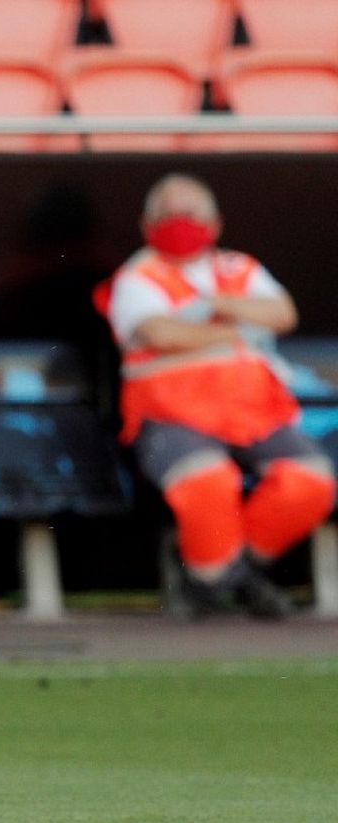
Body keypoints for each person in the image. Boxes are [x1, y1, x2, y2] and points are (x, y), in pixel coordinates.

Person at [99, 173, 335, 619]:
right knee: (207, 480)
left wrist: (219, 309)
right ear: (148, 224)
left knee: (311, 479)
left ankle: (212, 577)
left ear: (215, 222)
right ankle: (234, 583)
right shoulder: (138, 275)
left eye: (190, 213)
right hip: (172, 414)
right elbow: (157, 331)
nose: (179, 222)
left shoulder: (238, 268)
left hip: (253, 411)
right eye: (168, 214)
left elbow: (282, 313)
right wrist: (234, 329)